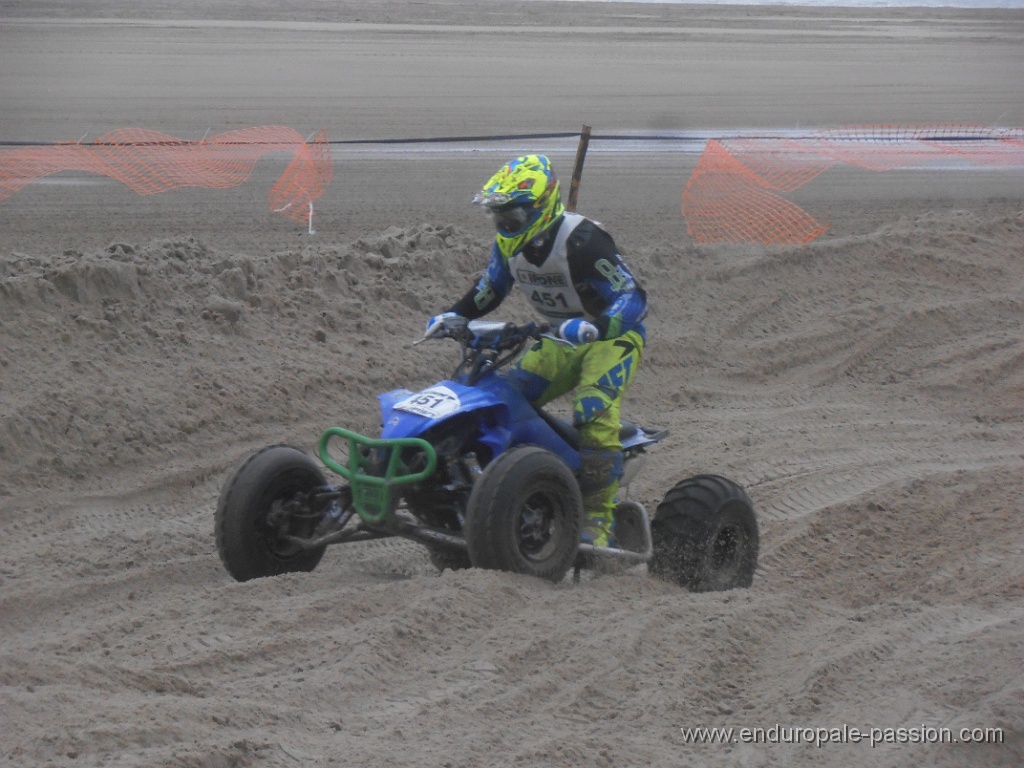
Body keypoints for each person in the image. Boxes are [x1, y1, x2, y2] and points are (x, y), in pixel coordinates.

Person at [426, 154, 648, 549]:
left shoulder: (583, 241)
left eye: (512, 217)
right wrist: (455, 314)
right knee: (499, 397)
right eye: (499, 218)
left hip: (611, 338)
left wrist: (597, 325)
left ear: (540, 209)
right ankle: (513, 485)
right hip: (559, 337)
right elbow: (491, 289)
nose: (504, 225)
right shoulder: (507, 246)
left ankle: (598, 519)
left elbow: (632, 297)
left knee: (593, 408)